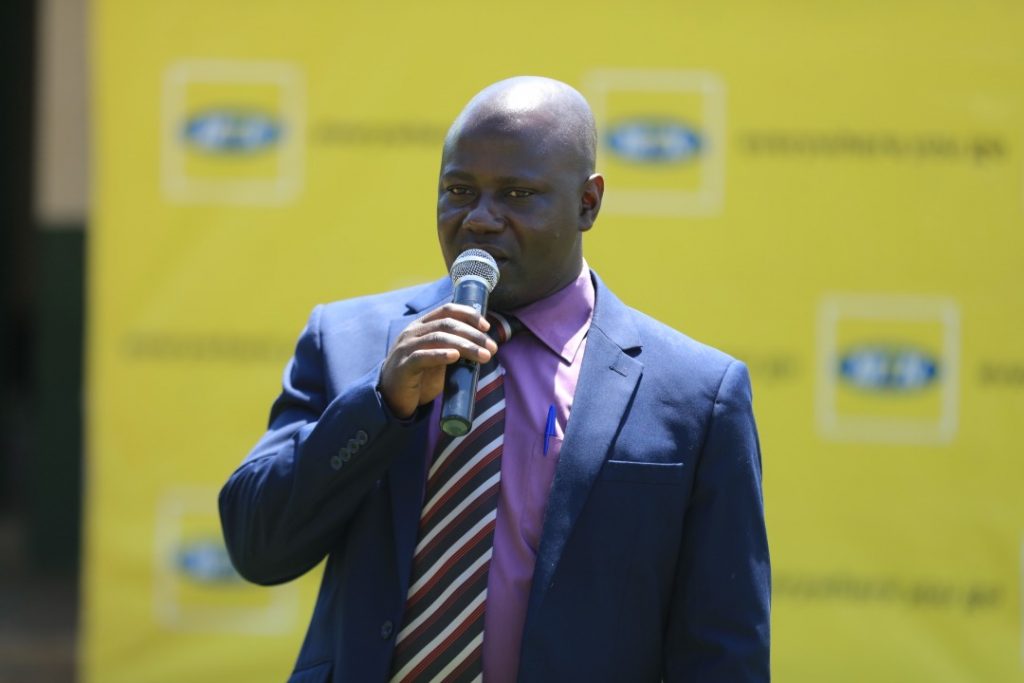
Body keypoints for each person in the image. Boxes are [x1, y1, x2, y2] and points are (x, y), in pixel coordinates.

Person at [219, 76, 770, 682]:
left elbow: (724, 648)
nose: (480, 219)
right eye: (459, 190)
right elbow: (256, 545)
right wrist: (379, 406)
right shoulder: (347, 340)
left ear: (588, 203)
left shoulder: (694, 393)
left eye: (516, 193)